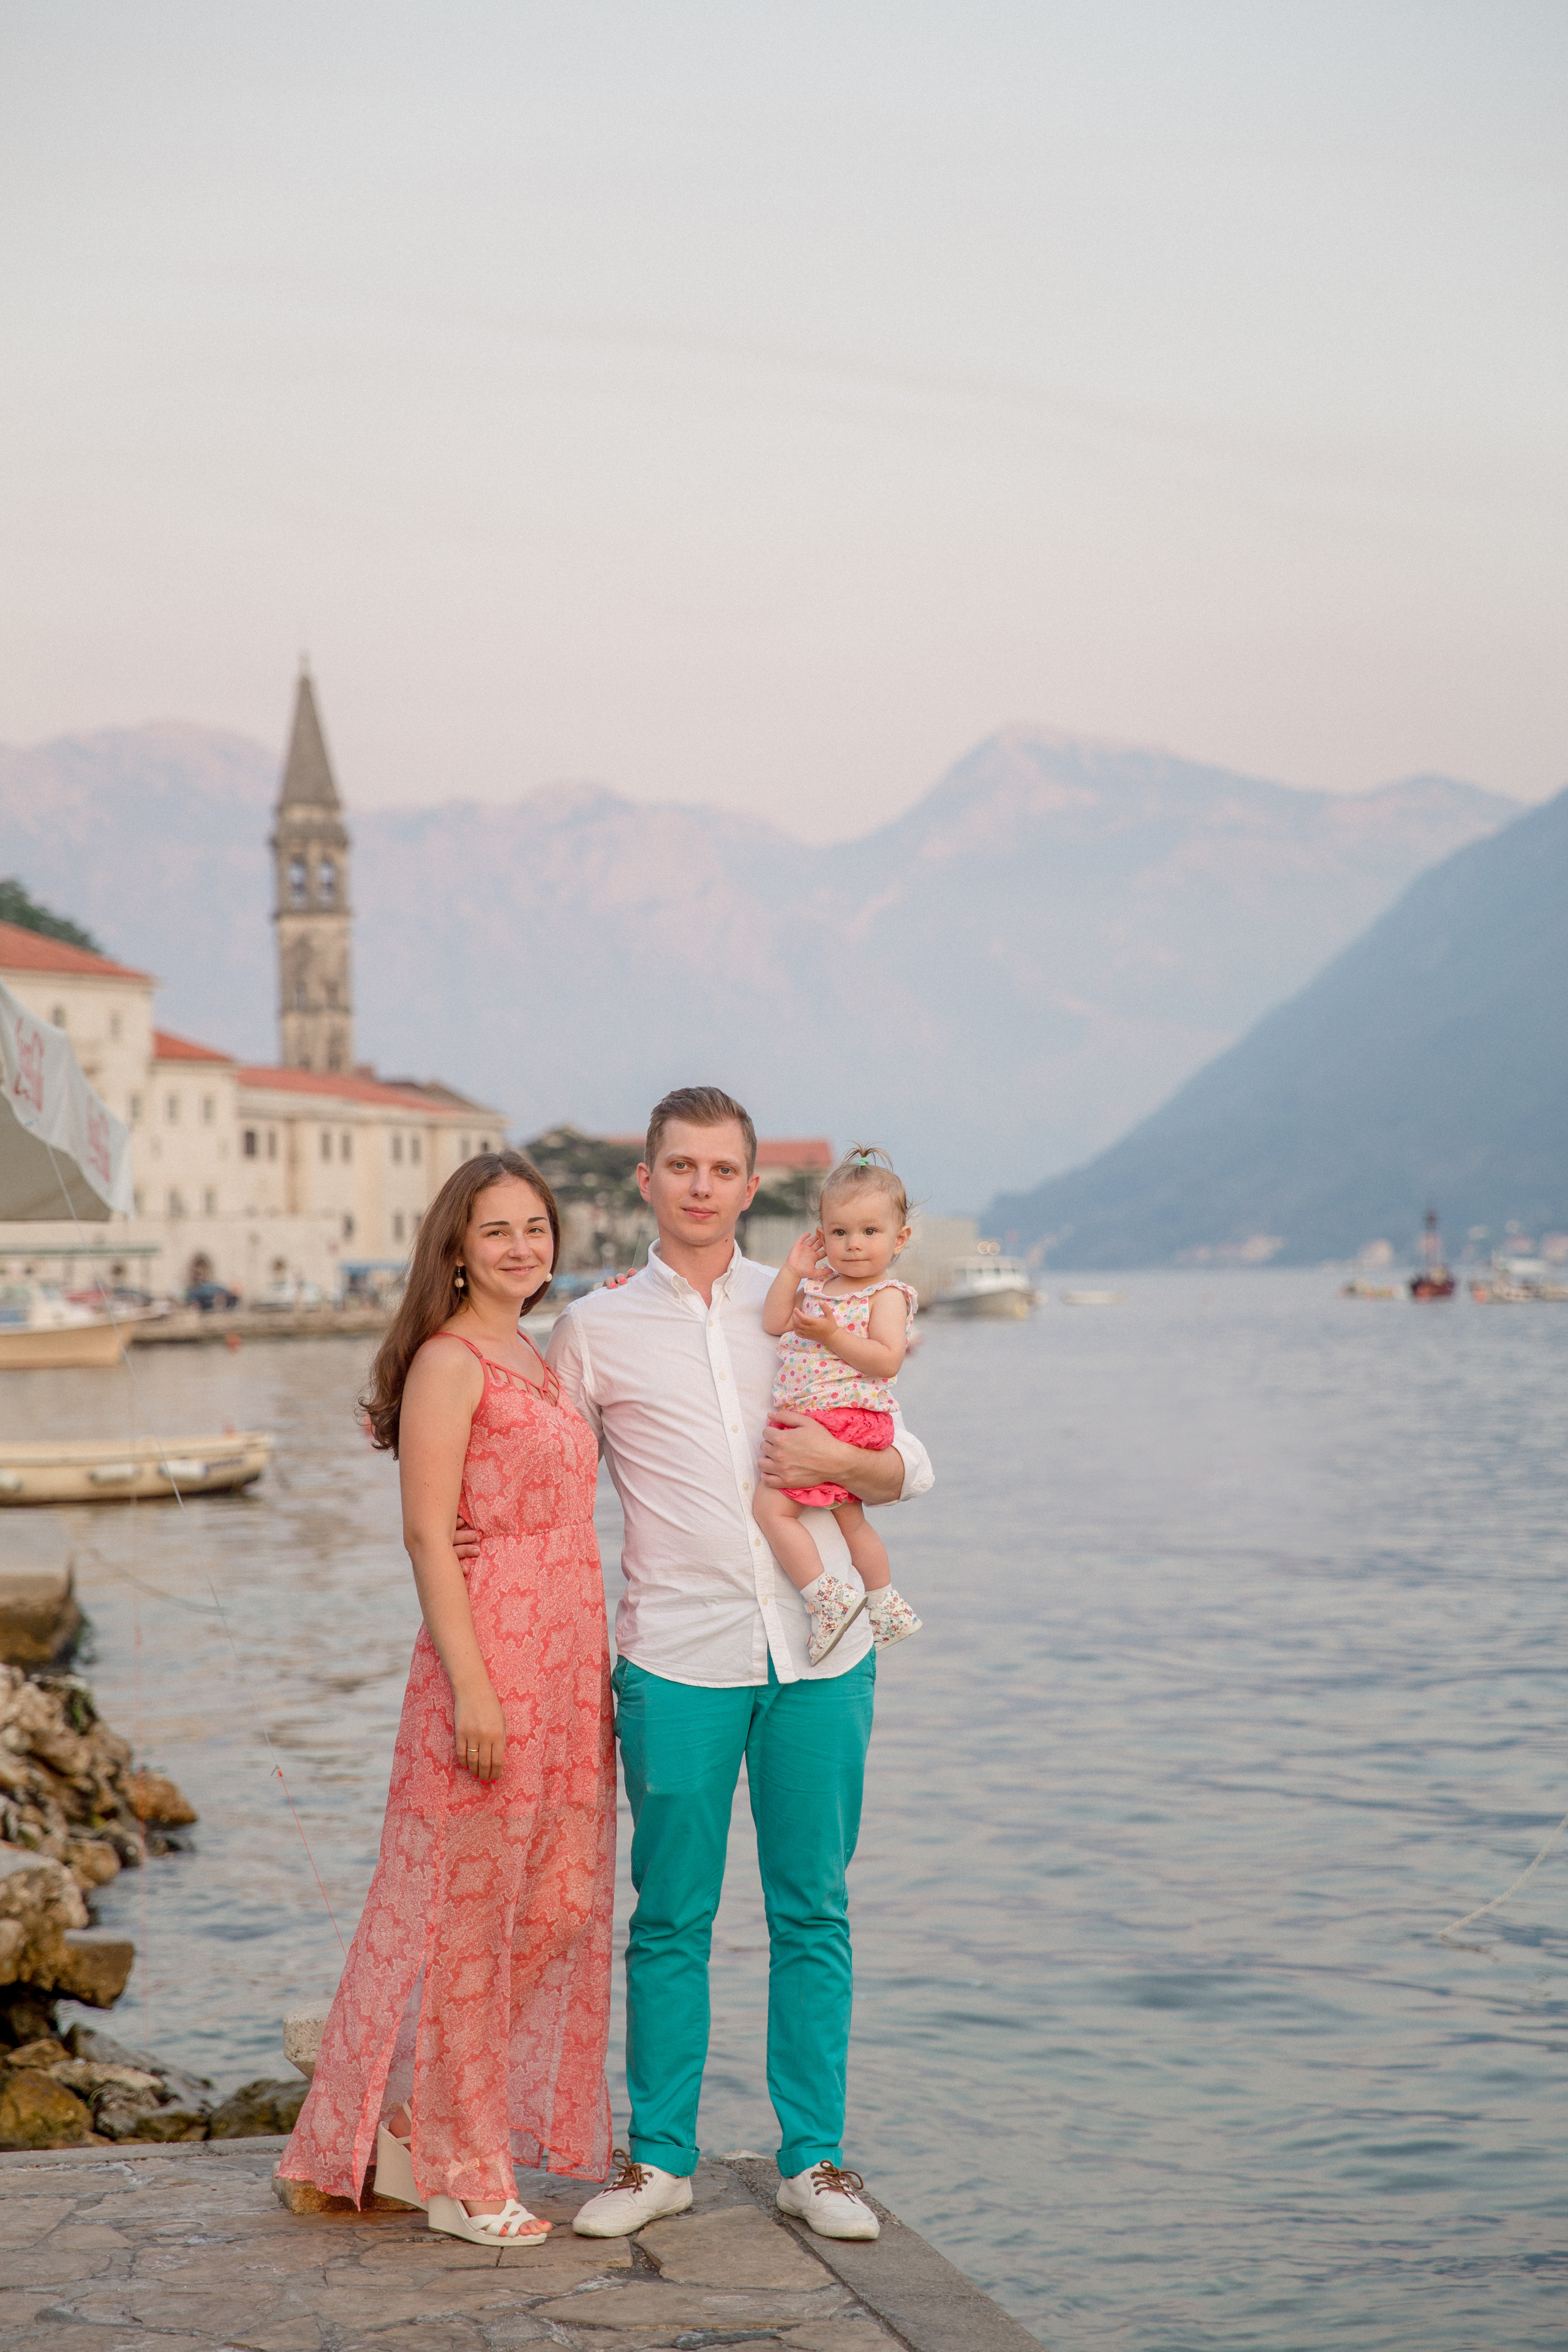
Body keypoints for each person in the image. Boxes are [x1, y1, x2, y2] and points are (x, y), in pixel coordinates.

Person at [520, 1085, 933, 2245]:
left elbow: (904, 1453)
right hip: (675, 1659)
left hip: (823, 1651)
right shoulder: (593, 1329)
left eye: (723, 1169)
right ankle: (659, 2159)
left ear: (754, 1189)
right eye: (680, 1166)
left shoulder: (809, 1300)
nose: (702, 1186)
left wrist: (872, 1474)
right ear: (646, 1180)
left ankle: (817, 2162)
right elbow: (545, 1501)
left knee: (814, 1909)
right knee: (669, 1917)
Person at [277, 1151, 615, 2247]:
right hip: (491, 1663)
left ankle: (423, 2124)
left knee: (558, 1906)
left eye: (535, 1227)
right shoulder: (448, 1361)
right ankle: (468, 2180)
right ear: (456, 1251)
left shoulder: (535, 1351)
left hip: (570, 1660)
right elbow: (429, 1528)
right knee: (466, 1920)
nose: (522, 1246)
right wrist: (472, 1683)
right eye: (497, 1231)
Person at [753, 1144, 924, 1664]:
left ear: (900, 1239)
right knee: (851, 1522)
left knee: (771, 1507)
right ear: (822, 1235)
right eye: (840, 1232)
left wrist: (829, 1333)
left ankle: (826, 1597)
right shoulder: (819, 1285)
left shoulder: (885, 1295)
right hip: (827, 1419)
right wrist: (791, 1272)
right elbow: (773, 1321)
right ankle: (885, 1602)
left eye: (870, 1233)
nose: (853, 1246)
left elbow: (886, 1360)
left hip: (844, 1418)